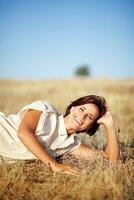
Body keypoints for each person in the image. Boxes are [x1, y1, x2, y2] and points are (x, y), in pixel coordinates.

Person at [0, 95, 120, 176]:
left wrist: (109, 124)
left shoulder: (70, 145)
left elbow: (111, 160)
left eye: (89, 117)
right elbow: (24, 133)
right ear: (72, 108)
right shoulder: (46, 109)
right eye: (82, 109)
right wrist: (54, 164)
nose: (82, 116)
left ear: (89, 127)